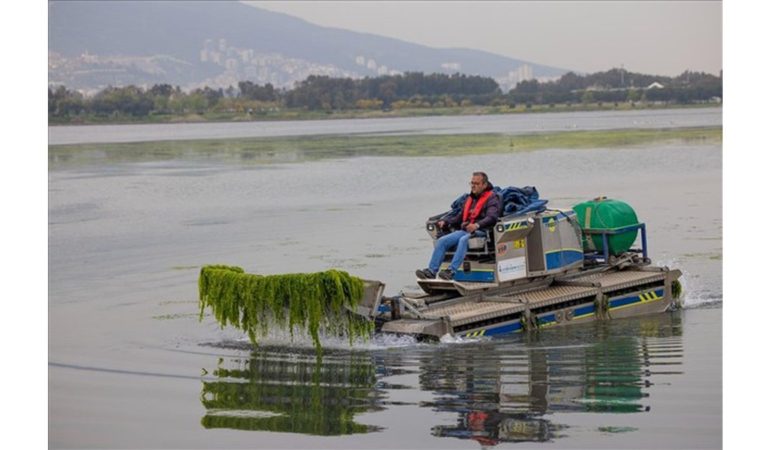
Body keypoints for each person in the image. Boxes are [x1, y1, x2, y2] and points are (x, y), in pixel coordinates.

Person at [416, 172, 501, 281]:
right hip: (465, 230)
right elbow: (459, 217)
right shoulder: (470, 199)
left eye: (476, 183)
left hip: (482, 231)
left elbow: (492, 217)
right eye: (472, 183)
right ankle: (431, 271)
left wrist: (477, 225)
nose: (473, 186)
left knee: (463, 240)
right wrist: (445, 221)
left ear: (484, 185)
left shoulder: (492, 198)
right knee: (442, 241)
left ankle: (451, 271)